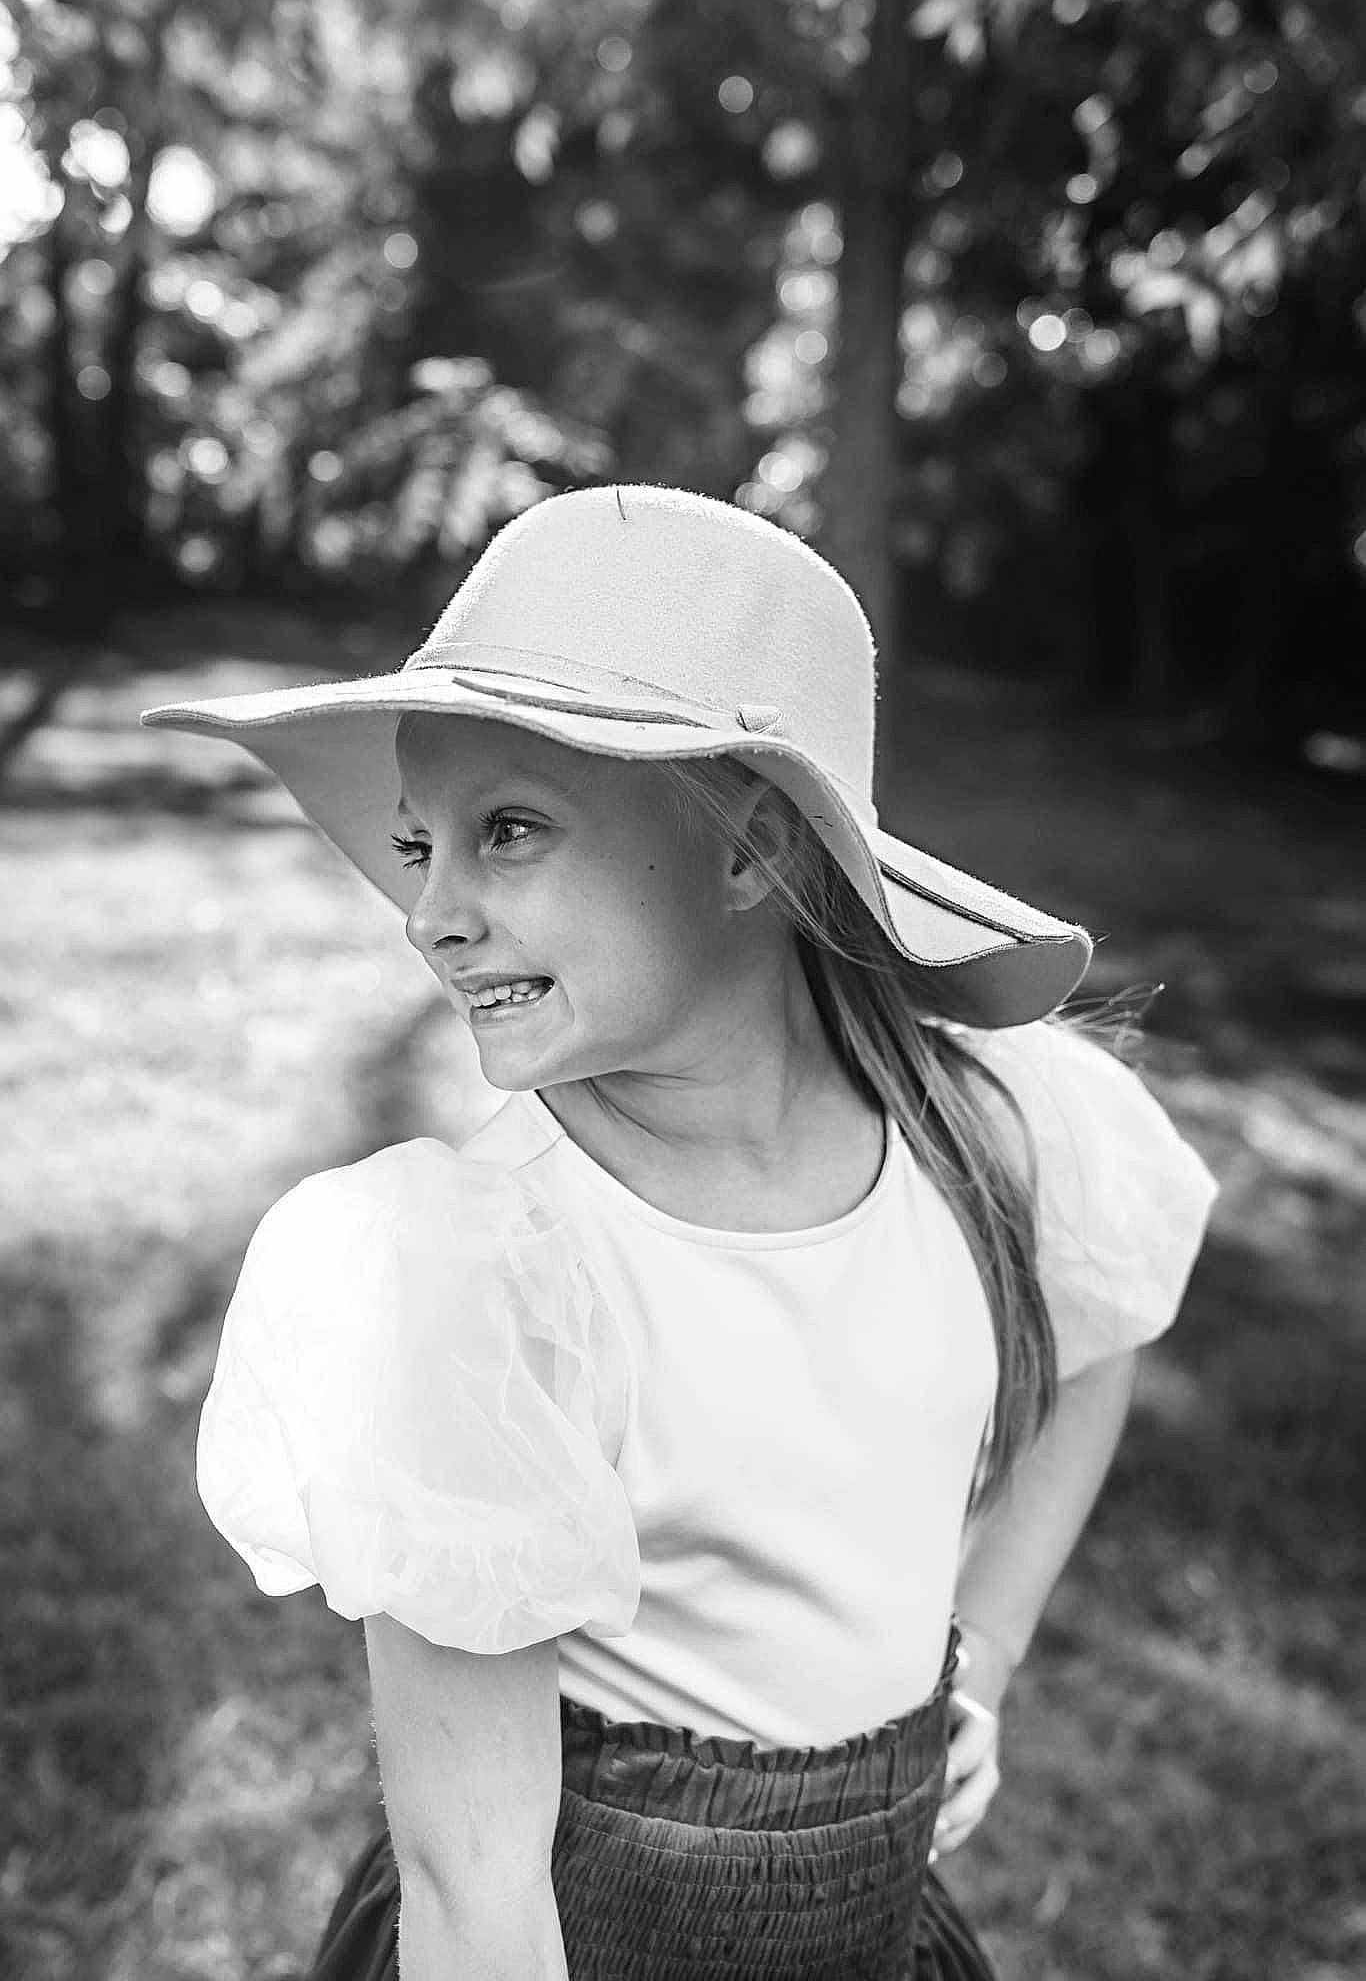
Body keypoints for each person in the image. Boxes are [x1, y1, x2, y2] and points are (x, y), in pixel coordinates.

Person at [142, 484, 1218, 1980]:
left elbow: (1099, 1340)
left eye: (505, 832)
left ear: (751, 851)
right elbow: (473, 1884)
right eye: (417, 846)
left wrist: (984, 1652)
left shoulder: (991, 1135)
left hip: (869, 1923)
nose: (427, 914)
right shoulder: (482, 1276)